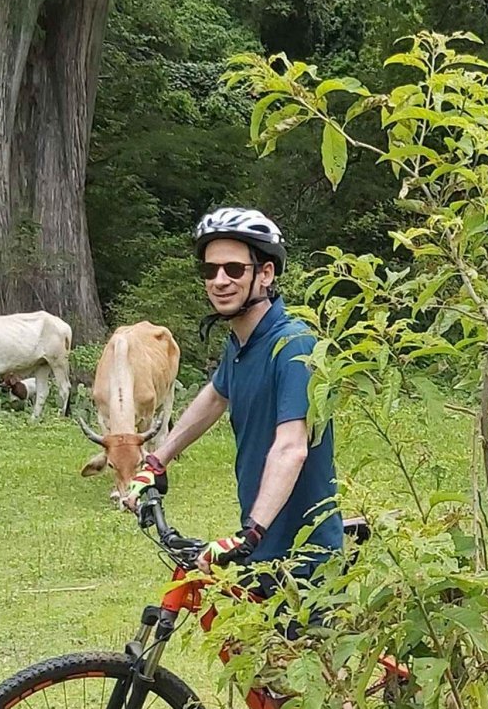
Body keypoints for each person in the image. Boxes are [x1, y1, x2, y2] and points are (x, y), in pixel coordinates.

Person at [125, 207, 342, 591]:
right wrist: (156, 461)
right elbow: (215, 396)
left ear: (266, 274)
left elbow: (291, 448)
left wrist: (250, 533)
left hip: (304, 559)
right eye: (210, 271)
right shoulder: (241, 344)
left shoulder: (293, 345)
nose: (219, 280)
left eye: (234, 269)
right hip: (263, 548)